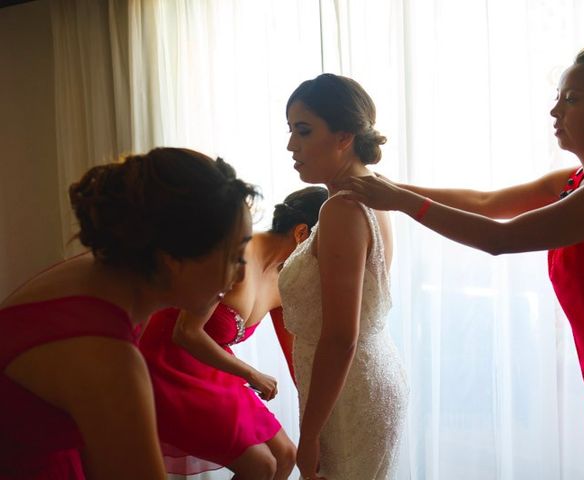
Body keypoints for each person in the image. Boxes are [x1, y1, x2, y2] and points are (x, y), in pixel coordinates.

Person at [337, 42, 584, 480]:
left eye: (571, 99)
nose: (555, 111)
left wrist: (400, 201)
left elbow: (500, 238)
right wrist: (385, 186)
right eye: (557, 97)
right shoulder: (574, 183)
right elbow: (487, 202)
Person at [0, 147, 256, 480]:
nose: (239, 276)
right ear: (172, 258)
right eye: (235, 257)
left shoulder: (104, 276)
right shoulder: (107, 358)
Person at [138, 186, 327, 480]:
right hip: (167, 362)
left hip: (212, 366)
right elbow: (186, 332)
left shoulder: (285, 282)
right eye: (324, 251)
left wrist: (318, 425)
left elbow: (294, 361)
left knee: (286, 456)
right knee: (261, 465)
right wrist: (251, 374)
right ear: (302, 233)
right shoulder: (236, 253)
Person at [279, 73, 409, 480]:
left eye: (303, 131)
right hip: (369, 374)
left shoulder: (341, 210)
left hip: (349, 390)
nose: (291, 146)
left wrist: (309, 434)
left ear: (344, 136)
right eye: (290, 131)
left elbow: (340, 336)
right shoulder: (375, 192)